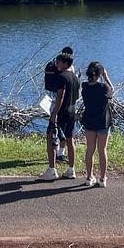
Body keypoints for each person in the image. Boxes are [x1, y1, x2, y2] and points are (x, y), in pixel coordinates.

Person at [39, 52, 80, 181]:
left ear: (66, 63)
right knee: (70, 139)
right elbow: (77, 95)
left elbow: (60, 96)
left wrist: (54, 114)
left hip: (61, 112)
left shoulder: (61, 77)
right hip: (72, 111)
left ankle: (52, 170)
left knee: (50, 137)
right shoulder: (75, 77)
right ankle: (71, 170)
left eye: (59, 61)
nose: (56, 64)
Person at [81, 61, 114, 188]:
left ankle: (89, 177)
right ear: (100, 74)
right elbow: (111, 92)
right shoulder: (103, 87)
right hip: (102, 122)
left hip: (89, 120)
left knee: (90, 149)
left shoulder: (84, 86)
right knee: (102, 150)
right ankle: (102, 178)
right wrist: (106, 77)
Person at [44, 46, 74, 162]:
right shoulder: (66, 69)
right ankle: (59, 154)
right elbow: (63, 91)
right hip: (60, 100)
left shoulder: (51, 64)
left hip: (50, 97)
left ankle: (57, 153)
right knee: (57, 127)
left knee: (55, 127)